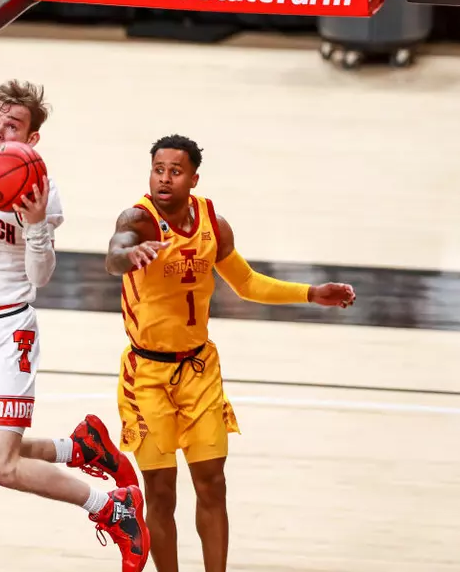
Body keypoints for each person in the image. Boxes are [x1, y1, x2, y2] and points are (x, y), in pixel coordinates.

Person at [0, 79, 150, 572]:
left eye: (13, 125)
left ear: (32, 139)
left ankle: (112, 507)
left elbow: (40, 277)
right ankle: (80, 446)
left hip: (7, 331)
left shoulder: (41, 188)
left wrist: (38, 224)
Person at [105, 134, 357, 572]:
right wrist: (129, 254)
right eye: (158, 169)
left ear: (193, 178)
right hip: (146, 375)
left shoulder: (213, 225)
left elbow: (247, 283)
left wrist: (312, 293)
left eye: (175, 171)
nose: (164, 179)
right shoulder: (138, 219)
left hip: (200, 369)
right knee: (162, 493)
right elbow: (113, 256)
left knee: (212, 483)